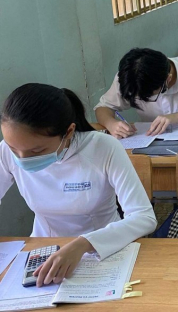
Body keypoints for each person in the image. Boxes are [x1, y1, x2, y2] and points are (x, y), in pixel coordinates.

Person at [0, 84, 156, 286]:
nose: (22, 159)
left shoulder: (103, 147)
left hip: (103, 248)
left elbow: (144, 217)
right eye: (13, 148)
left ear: (69, 132)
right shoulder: (7, 151)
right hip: (42, 250)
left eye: (36, 151)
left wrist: (83, 244)